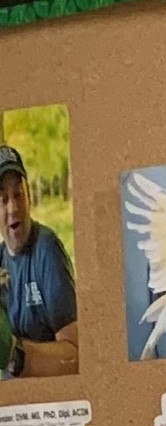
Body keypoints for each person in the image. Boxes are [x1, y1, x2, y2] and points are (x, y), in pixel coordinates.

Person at [0, 143, 77, 379]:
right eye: (3, 199)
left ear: (29, 196)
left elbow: (77, 358)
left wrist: (14, 355)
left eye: (18, 194)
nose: (13, 208)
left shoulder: (47, 249)